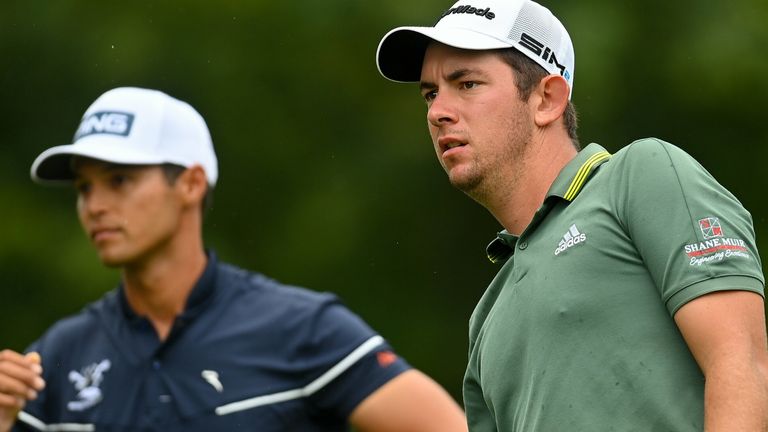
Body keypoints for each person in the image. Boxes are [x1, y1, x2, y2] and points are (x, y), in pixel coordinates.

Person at [375, 0, 768, 430]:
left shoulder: (640, 175)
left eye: (466, 84)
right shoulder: (486, 317)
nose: (436, 112)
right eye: (431, 93)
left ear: (547, 98)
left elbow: (743, 364)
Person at [0, 87, 468, 432]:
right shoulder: (57, 358)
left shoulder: (301, 328)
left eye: (118, 181)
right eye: (84, 188)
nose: (94, 205)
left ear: (190, 184)